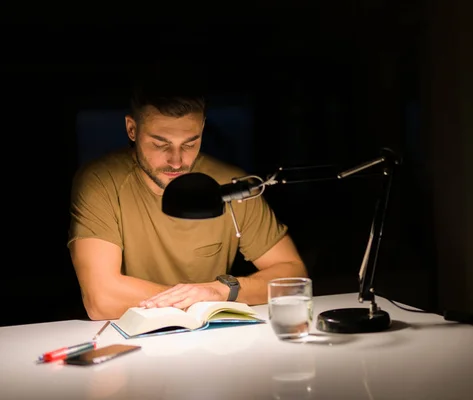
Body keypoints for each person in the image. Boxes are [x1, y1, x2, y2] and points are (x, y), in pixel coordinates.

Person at [68, 76, 308, 321]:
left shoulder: (231, 186)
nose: (176, 161)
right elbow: (102, 299)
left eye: (190, 143)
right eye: (160, 144)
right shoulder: (101, 182)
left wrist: (219, 290)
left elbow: (294, 277)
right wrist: (198, 299)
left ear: (202, 129)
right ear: (132, 129)